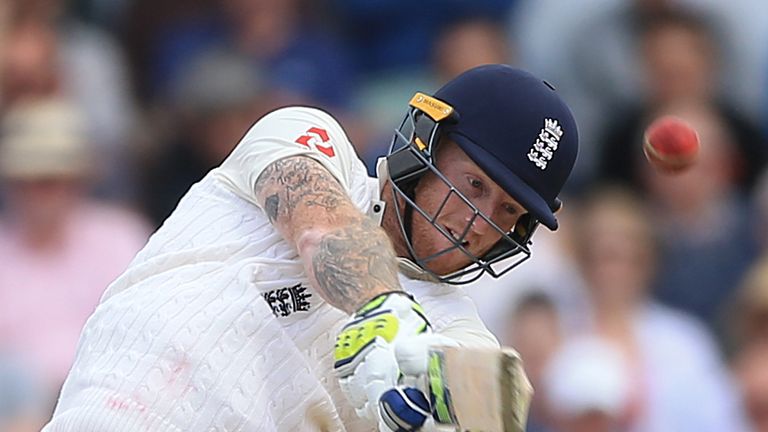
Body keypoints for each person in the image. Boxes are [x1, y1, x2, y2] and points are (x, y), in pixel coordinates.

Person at [42, 65, 579, 431]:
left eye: (509, 212)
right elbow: (319, 224)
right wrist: (382, 310)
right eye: (475, 185)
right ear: (426, 141)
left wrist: (439, 399)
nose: (479, 222)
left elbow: (484, 395)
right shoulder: (309, 137)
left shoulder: (458, 330)